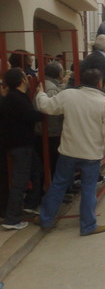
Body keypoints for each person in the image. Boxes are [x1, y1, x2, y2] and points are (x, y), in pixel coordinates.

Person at [34, 69, 105, 236]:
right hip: (91, 154)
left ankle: (46, 219)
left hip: (68, 151)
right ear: (99, 83)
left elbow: (47, 107)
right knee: (88, 189)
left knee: (58, 185)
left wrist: (40, 94)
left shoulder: (69, 95)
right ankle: (88, 226)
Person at [1, 68, 44, 230]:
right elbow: (31, 116)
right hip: (20, 145)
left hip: (22, 144)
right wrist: (43, 109)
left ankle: (30, 204)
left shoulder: (14, 97)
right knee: (20, 181)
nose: (28, 78)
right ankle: (12, 219)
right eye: (24, 77)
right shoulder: (15, 99)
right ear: (21, 80)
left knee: (36, 170)